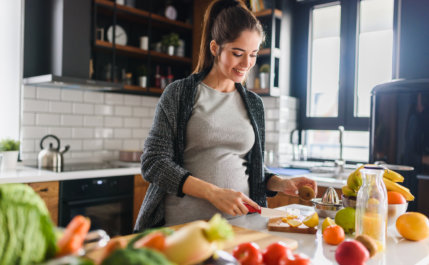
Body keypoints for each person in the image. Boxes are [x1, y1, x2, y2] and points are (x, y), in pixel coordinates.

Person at [134, 0, 317, 231]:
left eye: (253, 54)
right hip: (183, 228)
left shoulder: (254, 104)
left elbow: (253, 169)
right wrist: (214, 193)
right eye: (238, 53)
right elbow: (154, 163)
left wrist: (280, 182)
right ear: (214, 48)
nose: (247, 63)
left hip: (241, 227)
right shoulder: (180, 93)